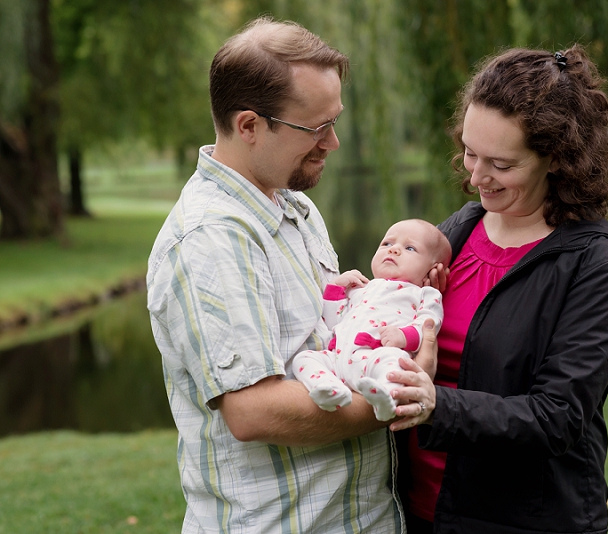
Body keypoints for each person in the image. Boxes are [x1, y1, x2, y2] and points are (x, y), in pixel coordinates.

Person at [146, 17, 434, 533]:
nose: (333, 143)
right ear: (250, 126)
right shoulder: (213, 240)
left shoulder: (294, 206)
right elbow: (254, 411)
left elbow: (323, 340)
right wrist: (400, 395)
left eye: (334, 121)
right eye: (315, 128)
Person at [387, 45, 608, 533]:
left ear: (558, 158)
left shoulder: (596, 266)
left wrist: (437, 405)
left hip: (524, 521)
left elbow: (557, 417)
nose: (476, 176)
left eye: (500, 164)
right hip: (420, 510)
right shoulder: (460, 230)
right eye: (469, 151)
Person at [293, 219, 451, 421]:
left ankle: (387, 397)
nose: (393, 250)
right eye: (387, 244)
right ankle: (328, 388)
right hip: (337, 357)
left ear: (432, 269)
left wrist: (403, 336)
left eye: (410, 248)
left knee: (393, 361)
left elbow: (429, 324)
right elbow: (333, 324)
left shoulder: (424, 294)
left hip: (373, 356)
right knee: (304, 358)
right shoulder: (363, 289)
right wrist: (336, 290)